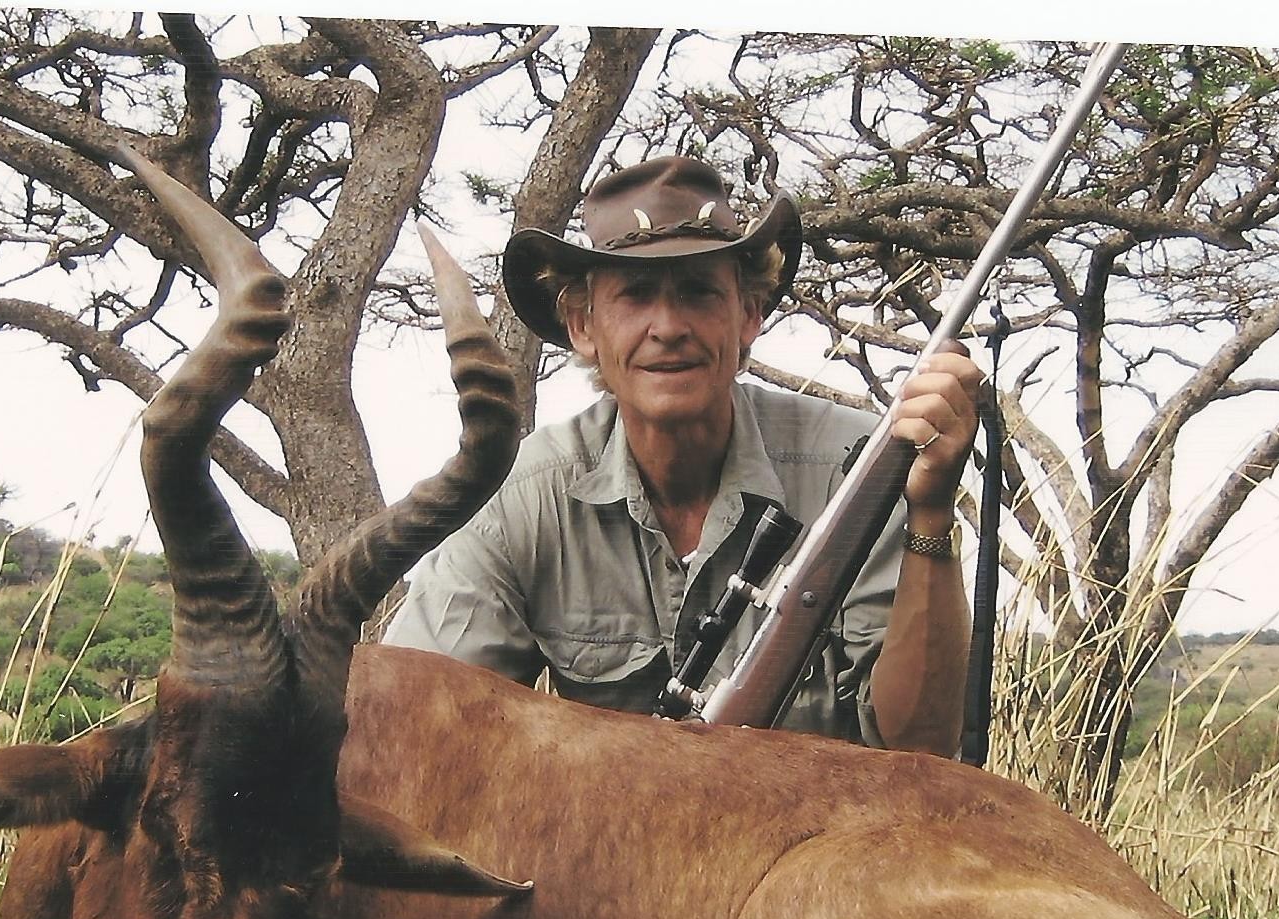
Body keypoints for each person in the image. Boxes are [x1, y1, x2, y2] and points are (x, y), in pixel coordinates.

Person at [384, 156, 981, 755]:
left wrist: (931, 515)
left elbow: (921, 745)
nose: (668, 327)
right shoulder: (523, 493)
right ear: (582, 324)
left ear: (748, 315)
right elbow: (412, 725)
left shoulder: (860, 466)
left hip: (830, 837)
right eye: (636, 296)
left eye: (698, 292)